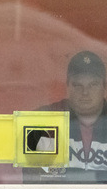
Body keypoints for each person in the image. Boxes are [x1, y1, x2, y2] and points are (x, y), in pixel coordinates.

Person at [30, 50, 107, 182]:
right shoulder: (46, 117)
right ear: (67, 86)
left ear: (104, 86)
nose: (85, 92)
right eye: (77, 85)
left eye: (93, 85)